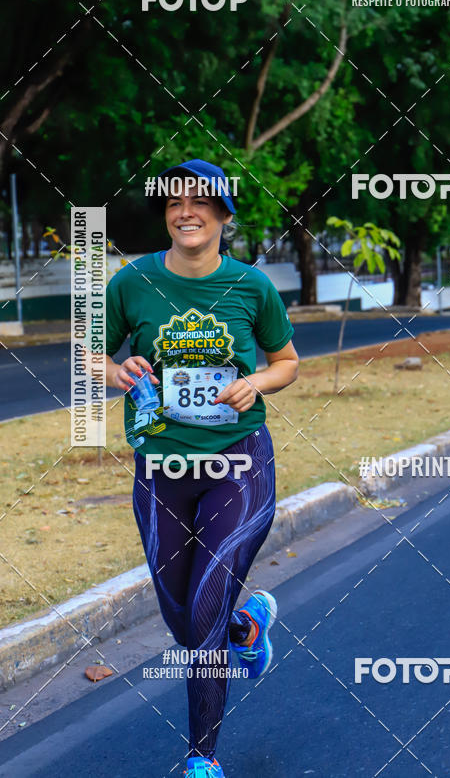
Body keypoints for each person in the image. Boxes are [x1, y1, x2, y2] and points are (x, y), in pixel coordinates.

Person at [103, 159, 299, 777]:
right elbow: (88, 356)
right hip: (160, 468)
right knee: (185, 621)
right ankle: (249, 625)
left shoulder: (252, 286)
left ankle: (201, 758)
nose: (185, 210)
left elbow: (287, 361)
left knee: (206, 604)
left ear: (222, 215)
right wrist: (115, 372)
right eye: (173, 203)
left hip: (238, 464)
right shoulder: (131, 282)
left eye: (199, 201)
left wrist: (255, 383)